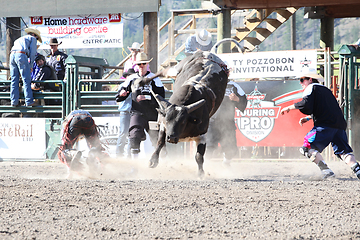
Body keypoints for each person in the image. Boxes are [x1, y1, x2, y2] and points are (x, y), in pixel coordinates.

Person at [280, 69, 360, 180]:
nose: (301, 83)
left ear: (310, 79)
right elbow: (326, 109)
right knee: (344, 152)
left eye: (302, 80)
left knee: (306, 147)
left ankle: (326, 171)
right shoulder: (326, 89)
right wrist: (308, 118)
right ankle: (357, 170)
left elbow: (305, 104)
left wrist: (289, 107)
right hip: (339, 125)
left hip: (325, 126)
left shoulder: (310, 88)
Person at [116, 52, 165, 159]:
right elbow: (120, 94)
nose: (141, 66)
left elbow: (161, 96)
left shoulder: (154, 78)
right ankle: (135, 165)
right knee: (134, 135)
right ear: (136, 66)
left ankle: (162, 161)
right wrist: (122, 94)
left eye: (143, 63)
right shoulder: (131, 79)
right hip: (137, 112)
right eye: (139, 64)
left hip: (152, 113)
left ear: (147, 64)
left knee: (157, 138)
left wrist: (147, 98)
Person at [206, 81, 247, 165]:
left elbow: (244, 102)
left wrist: (237, 99)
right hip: (212, 121)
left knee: (231, 149)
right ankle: (204, 167)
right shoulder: (210, 83)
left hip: (227, 123)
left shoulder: (234, 85)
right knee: (209, 147)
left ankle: (226, 163)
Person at [10, 28, 42, 107]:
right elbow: (32, 53)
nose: (36, 40)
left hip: (12, 55)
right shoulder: (33, 39)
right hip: (21, 54)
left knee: (14, 79)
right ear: (34, 35)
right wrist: (31, 66)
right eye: (37, 38)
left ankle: (14, 101)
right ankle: (29, 101)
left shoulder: (19, 39)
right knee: (26, 79)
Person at [115, 82, 132, 158]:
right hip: (125, 111)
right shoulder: (123, 86)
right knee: (124, 133)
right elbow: (118, 97)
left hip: (130, 112)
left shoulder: (123, 85)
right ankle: (120, 154)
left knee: (128, 134)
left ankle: (128, 154)